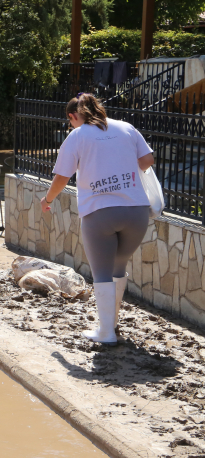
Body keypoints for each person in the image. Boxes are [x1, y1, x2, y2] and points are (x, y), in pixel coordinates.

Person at [41, 93, 155, 344]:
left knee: (101, 272)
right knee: (118, 267)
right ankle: (112, 324)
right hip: (136, 212)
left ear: (73, 116)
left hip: (100, 212)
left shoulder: (77, 136)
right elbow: (147, 160)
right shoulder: (126, 127)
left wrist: (47, 200)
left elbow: (62, 177)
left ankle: (105, 333)